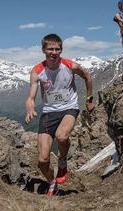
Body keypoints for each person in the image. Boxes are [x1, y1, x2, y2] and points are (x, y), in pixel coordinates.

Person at [25, 34, 95, 196]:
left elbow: (88, 77)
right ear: (43, 50)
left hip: (69, 108)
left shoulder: (70, 66)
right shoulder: (37, 71)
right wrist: (30, 109)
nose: (54, 52)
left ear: (61, 50)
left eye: (57, 49)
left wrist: (89, 99)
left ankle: (62, 161)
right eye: (50, 49)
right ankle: (52, 183)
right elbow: (30, 97)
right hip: (49, 112)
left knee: (62, 136)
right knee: (42, 161)